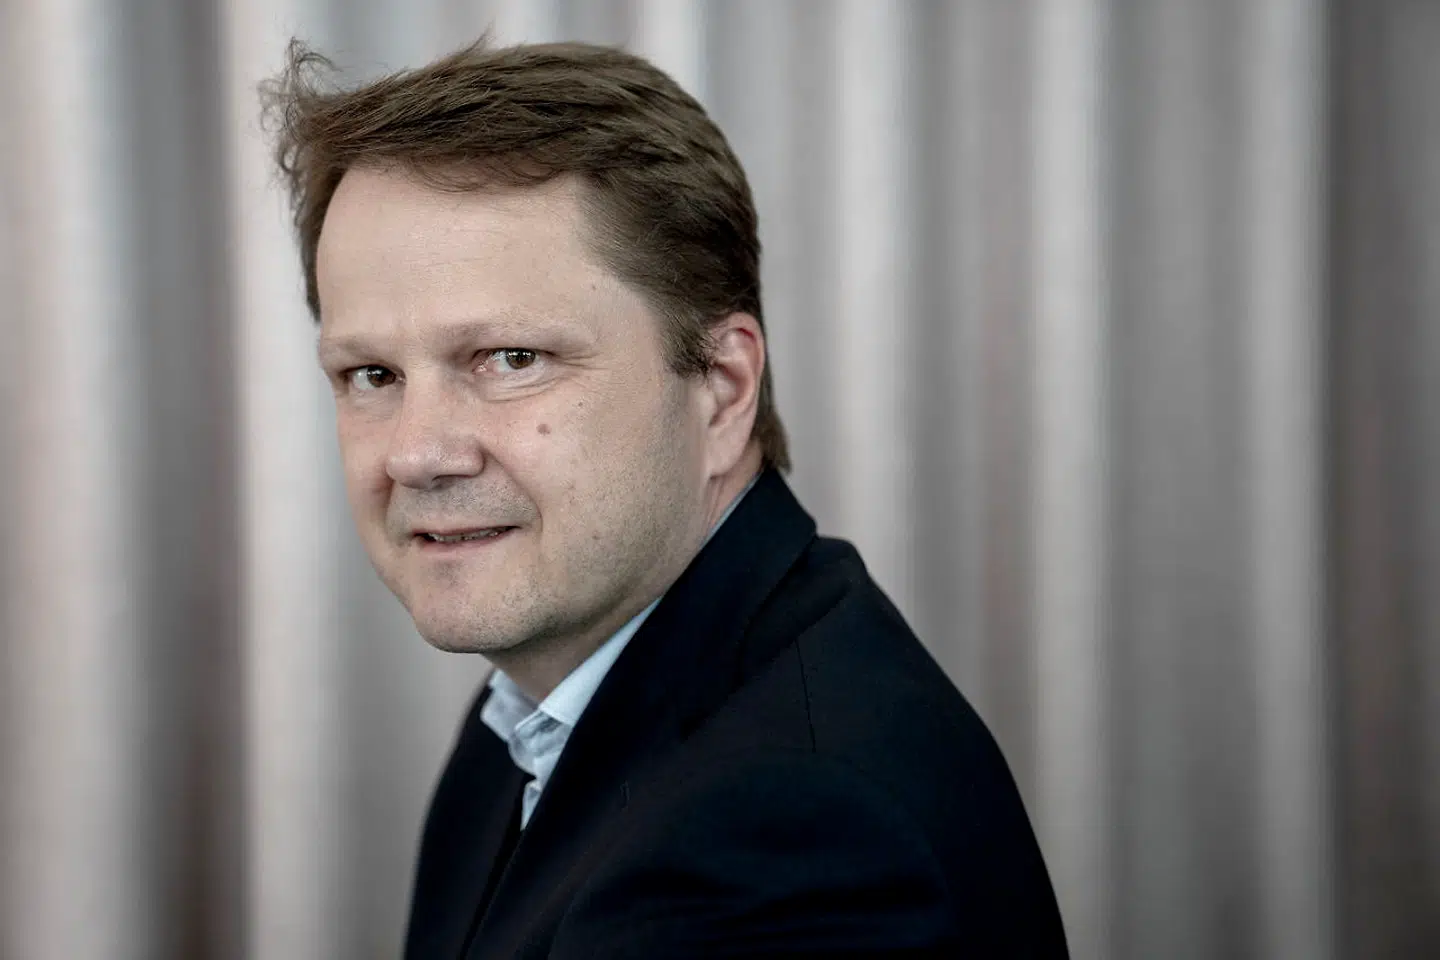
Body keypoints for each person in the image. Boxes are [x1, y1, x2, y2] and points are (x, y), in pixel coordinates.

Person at [266, 37, 1067, 959]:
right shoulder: (536, 712)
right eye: (371, 374)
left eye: (512, 359)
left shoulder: (790, 835)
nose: (416, 453)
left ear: (721, 390)